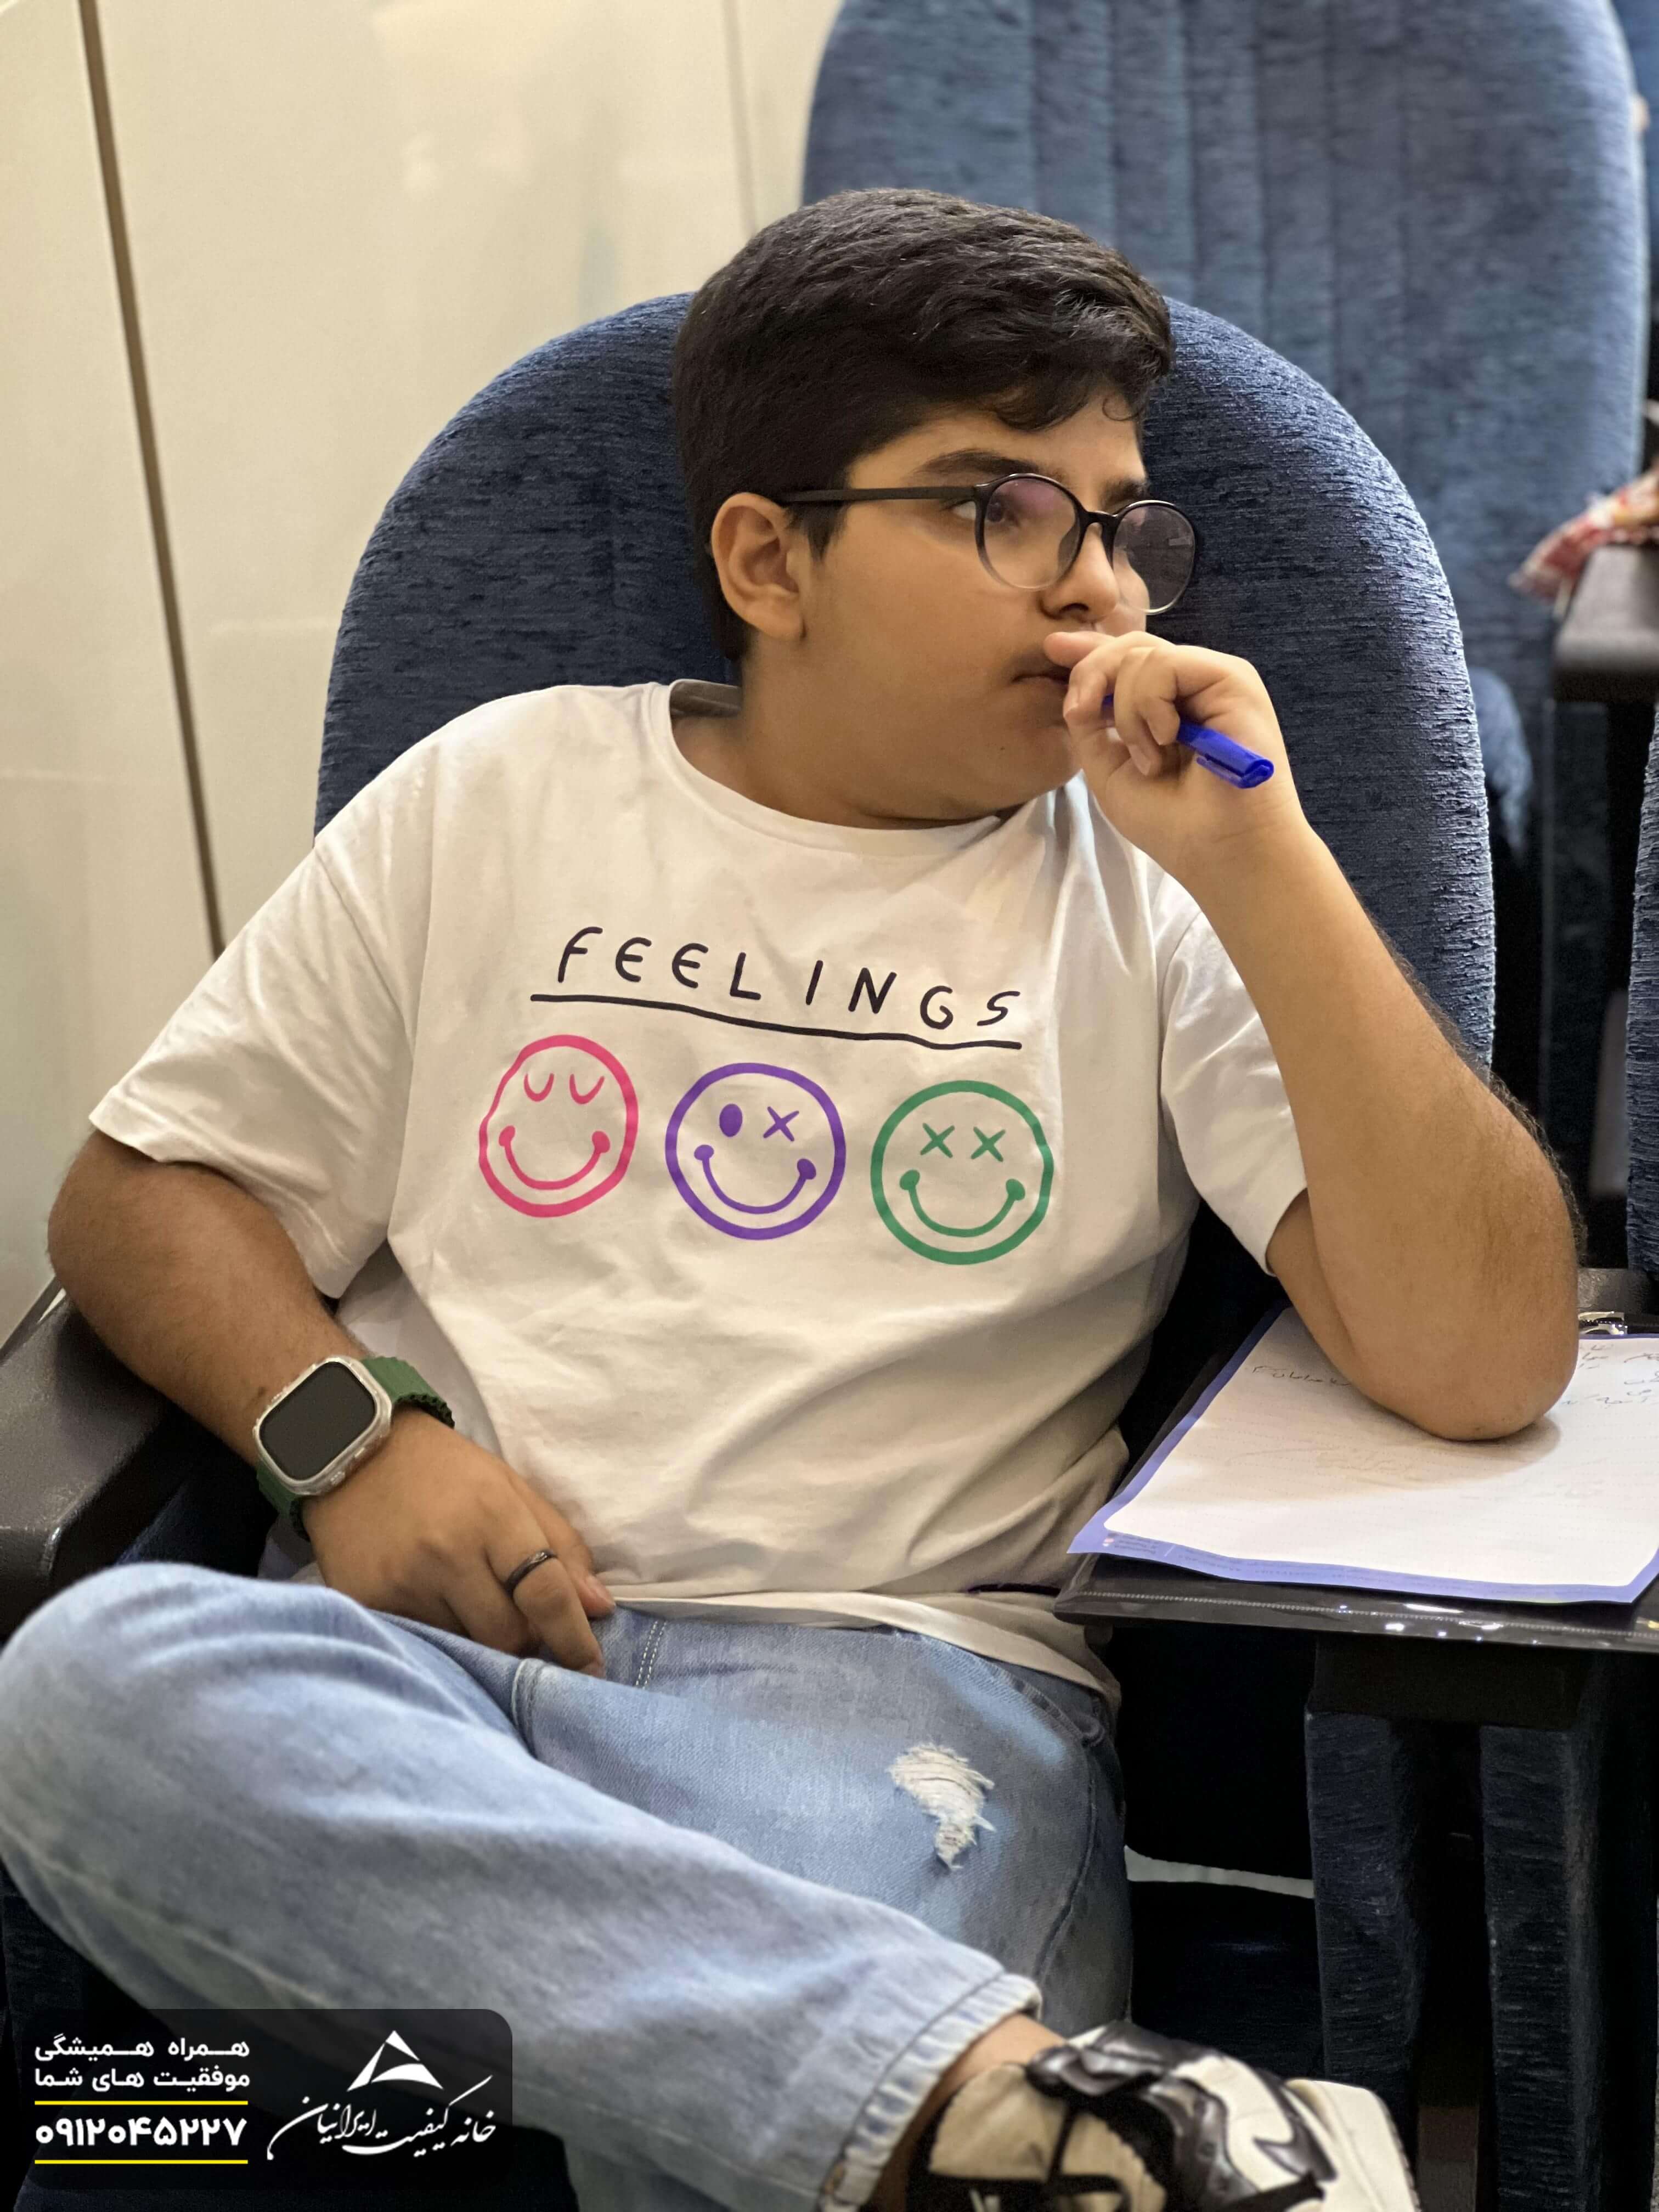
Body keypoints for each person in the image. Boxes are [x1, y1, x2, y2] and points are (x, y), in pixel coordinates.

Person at [0, 187, 1577, 2212]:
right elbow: (142, 1193)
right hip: (421, 1688)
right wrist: (352, 1442)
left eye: (1119, 525)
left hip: (891, 1716)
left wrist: (1263, 860)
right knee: (84, 1687)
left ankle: (791, 2100)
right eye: (1007, 508)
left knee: (214, 2114)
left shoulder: (1153, 886)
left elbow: (1482, 1361)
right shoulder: (502, 791)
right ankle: (1003, 2119)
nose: (1100, 588)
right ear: (769, 560)